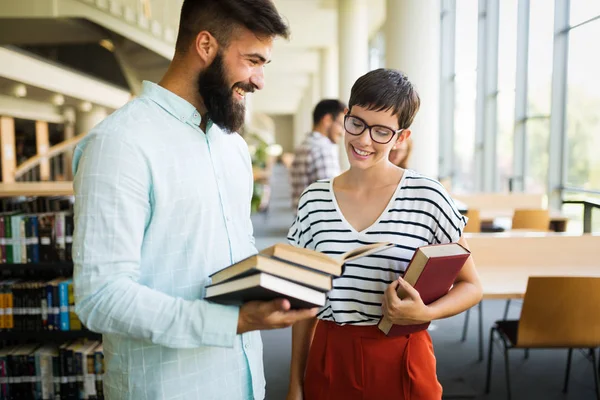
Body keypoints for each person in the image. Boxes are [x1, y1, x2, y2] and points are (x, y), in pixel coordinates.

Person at [72, 1, 318, 399]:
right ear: (206, 45)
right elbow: (101, 297)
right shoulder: (120, 144)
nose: (259, 81)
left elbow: (230, 251)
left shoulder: (231, 146)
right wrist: (232, 322)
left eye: (264, 65)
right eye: (252, 60)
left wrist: (275, 279)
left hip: (245, 381)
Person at [286, 69, 483, 400]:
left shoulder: (428, 196)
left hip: (403, 355)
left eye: (381, 131)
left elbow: (472, 285)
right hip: (331, 353)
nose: (364, 140)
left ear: (401, 138)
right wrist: (295, 383)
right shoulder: (315, 199)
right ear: (345, 119)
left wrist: (428, 313)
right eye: (357, 123)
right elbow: (302, 300)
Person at [289, 99, 346, 209]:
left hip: (303, 218)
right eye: (341, 125)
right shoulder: (323, 149)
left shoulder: (305, 144)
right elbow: (332, 195)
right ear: (327, 120)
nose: (342, 133)